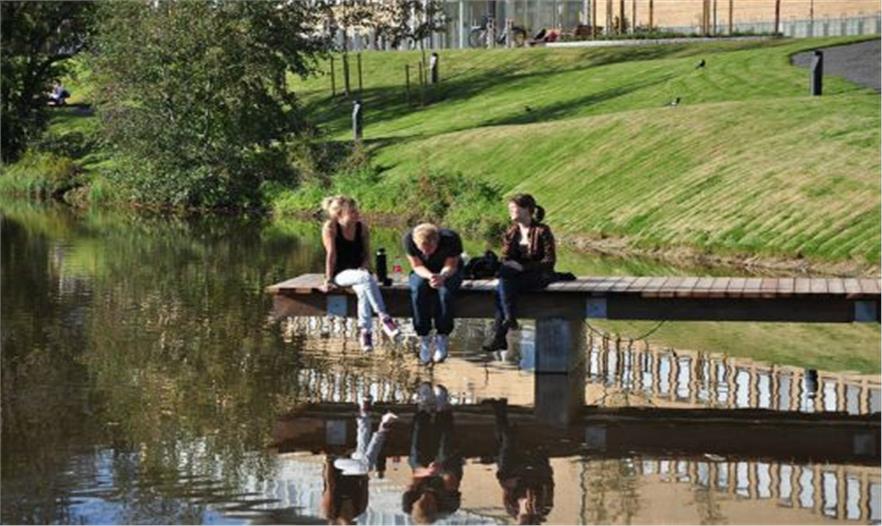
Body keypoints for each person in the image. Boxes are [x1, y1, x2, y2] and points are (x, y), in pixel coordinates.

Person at [320, 195, 401, 351]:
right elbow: (331, 254)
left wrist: (365, 266)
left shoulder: (362, 227)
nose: (357, 214)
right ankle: (384, 317)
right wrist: (329, 280)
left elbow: (366, 254)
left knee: (363, 290)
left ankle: (365, 333)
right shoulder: (331, 227)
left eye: (356, 210)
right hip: (340, 274)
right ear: (340, 214)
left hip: (360, 274)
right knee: (365, 278)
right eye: (352, 211)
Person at [483, 194, 556, 352]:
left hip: (539, 274)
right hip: (515, 277)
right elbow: (505, 257)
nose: (510, 211)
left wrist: (523, 267)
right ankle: (507, 321)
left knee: (501, 288)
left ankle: (501, 332)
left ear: (527, 210)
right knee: (504, 280)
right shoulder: (512, 231)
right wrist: (508, 262)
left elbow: (549, 261)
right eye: (509, 208)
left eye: (513, 208)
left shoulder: (542, 230)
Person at [321, 397, 398, 524]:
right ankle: (365, 413)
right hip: (357, 466)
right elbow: (365, 481)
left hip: (337, 466)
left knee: (364, 466)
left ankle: (383, 426)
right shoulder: (359, 508)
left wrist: (329, 460)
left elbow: (330, 483)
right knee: (363, 456)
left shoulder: (331, 511)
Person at [402, 383, 463, 524]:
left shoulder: (407, 505)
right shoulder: (449, 506)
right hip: (448, 472)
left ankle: (424, 409)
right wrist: (438, 471)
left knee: (416, 458)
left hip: (424, 472)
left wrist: (427, 472)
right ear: (435, 508)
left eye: (422, 500)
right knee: (445, 454)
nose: (426, 497)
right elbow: (451, 479)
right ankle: (443, 410)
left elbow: (414, 478)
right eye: (429, 503)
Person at [402, 223, 463, 364]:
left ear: (437, 241)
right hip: (423, 270)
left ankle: (442, 335)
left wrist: (442, 276)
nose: (426, 253)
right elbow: (417, 265)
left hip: (448, 270)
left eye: (429, 249)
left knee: (446, 293)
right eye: (422, 250)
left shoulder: (451, 238)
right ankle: (424, 335)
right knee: (418, 289)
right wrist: (430, 276)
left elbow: (451, 264)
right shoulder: (408, 239)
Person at [486, 398, 554, 525]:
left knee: (503, 450)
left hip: (514, 472)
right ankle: (501, 415)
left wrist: (513, 484)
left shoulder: (511, 509)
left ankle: (501, 415)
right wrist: (533, 494)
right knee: (505, 446)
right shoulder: (543, 508)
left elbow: (506, 489)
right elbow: (548, 484)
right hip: (535, 472)